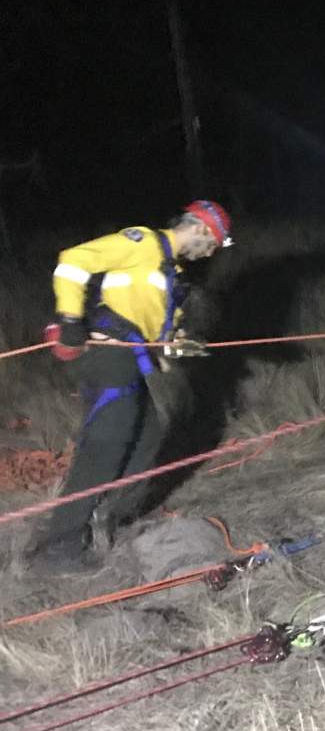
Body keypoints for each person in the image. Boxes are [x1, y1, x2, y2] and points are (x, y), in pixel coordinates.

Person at [30, 200, 234, 571]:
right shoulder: (142, 244)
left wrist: (173, 344)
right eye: (213, 244)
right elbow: (74, 260)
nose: (210, 253)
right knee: (105, 445)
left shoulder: (168, 271)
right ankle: (57, 547)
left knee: (148, 436)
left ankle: (113, 519)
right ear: (202, 228)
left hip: (129, 360)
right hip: (108, 355)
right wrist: (71, 319)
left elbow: (150, 322)